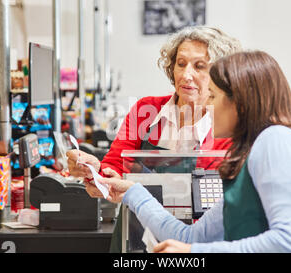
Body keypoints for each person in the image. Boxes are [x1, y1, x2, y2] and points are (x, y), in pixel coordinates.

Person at [99, 51, 291, 253]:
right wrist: (133, 193)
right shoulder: (251, 155)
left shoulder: (276, 141)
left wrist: (195, 253)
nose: (206, 106)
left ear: (240, 102)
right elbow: (189, 236)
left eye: (212, 96)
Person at [66, 26, 243, 252]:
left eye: (199, 66)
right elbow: (114, 168)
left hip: (192, 242)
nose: (186, 74)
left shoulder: (228, 126)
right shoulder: (146, 110)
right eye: (181, 63)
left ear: (219, 75)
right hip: (134, 235)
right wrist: (93, 171)